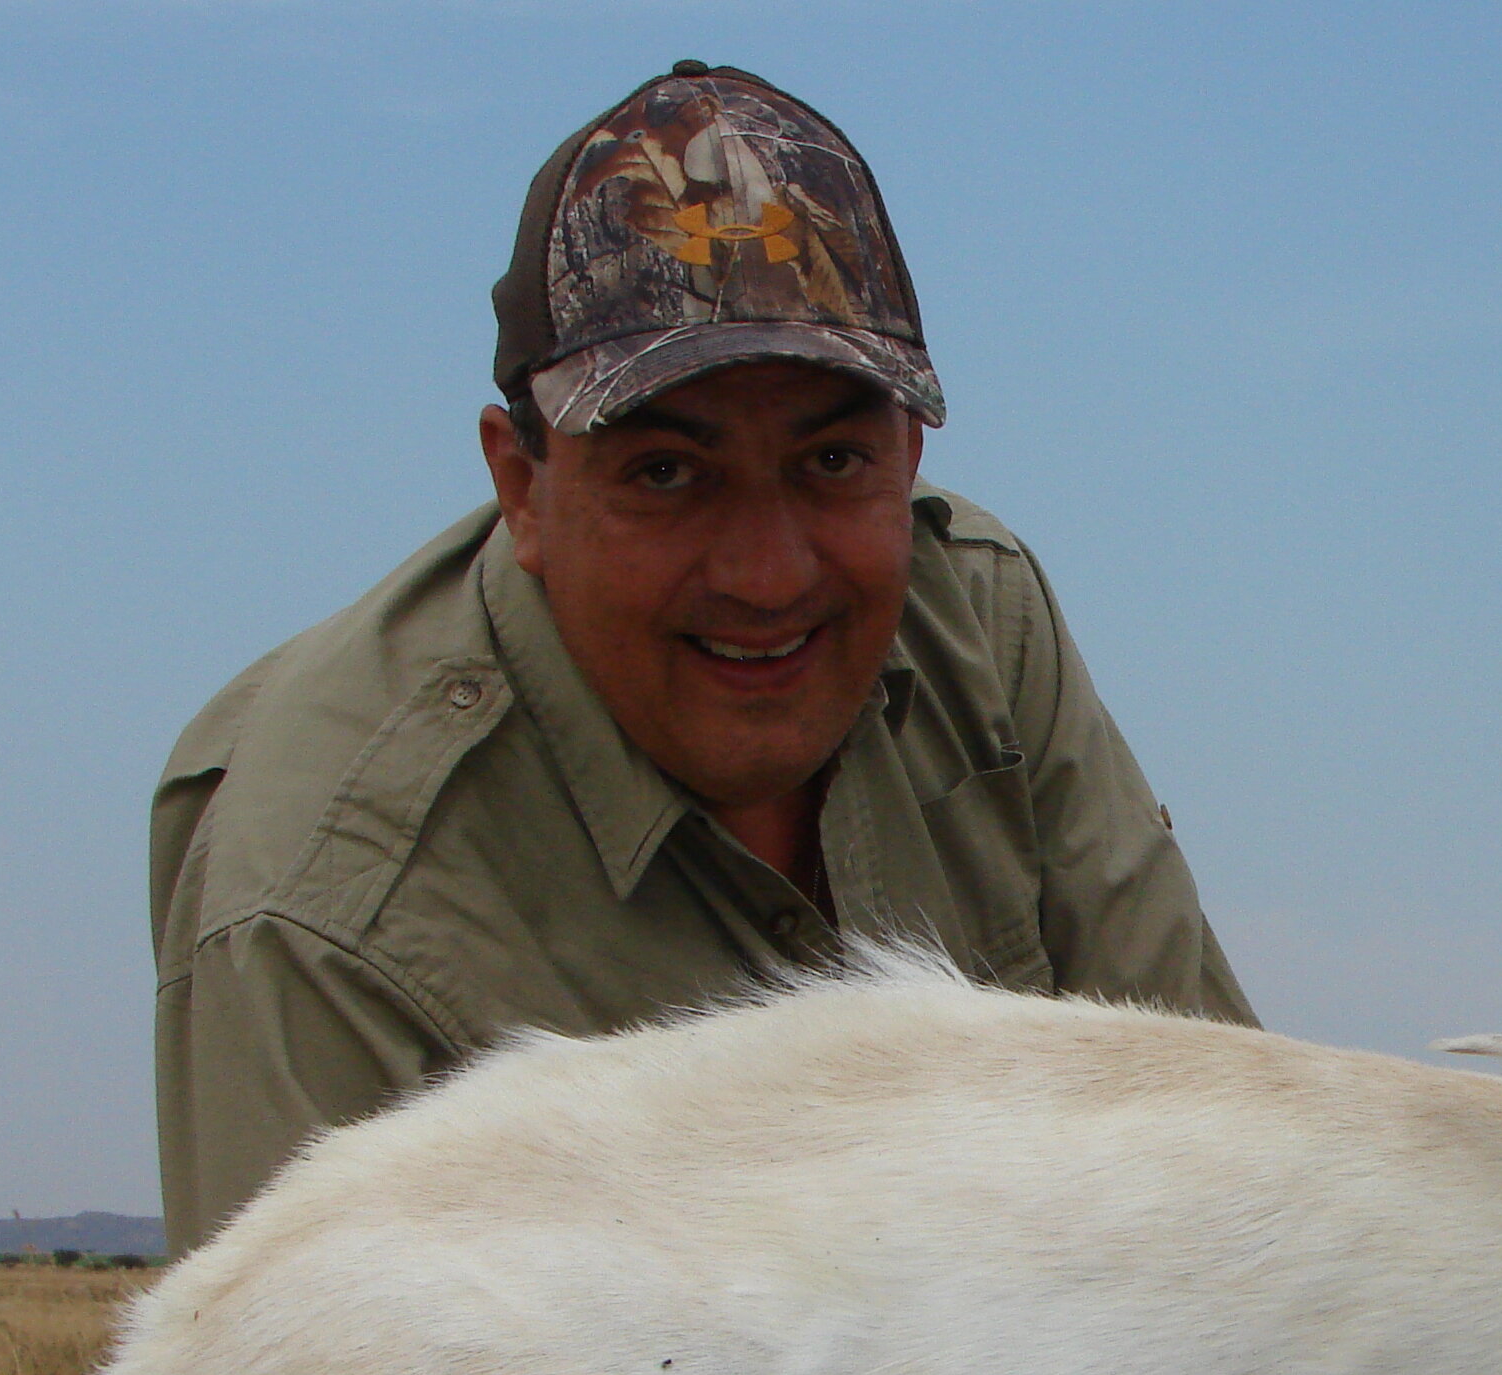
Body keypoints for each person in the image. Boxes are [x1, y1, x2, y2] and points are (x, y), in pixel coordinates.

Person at [152, 64, 1253, 1254]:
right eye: (667, 473)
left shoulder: (977, 616)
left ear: (910, 450)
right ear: (521, 487)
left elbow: (1238, 1179)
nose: (768, 575)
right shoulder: (319, 907)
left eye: (831, 462)